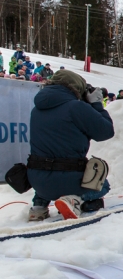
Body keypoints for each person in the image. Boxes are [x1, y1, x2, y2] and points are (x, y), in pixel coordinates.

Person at [27, 70, 115, 221]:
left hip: (36, 180)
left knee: (48, 170)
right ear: (76, 88)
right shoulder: (76, 107)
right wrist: (96, 105)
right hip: (68, 179)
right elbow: (105, 132)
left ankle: (38, 207)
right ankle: (74, 200)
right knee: (104, 186)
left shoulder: (37, 109)